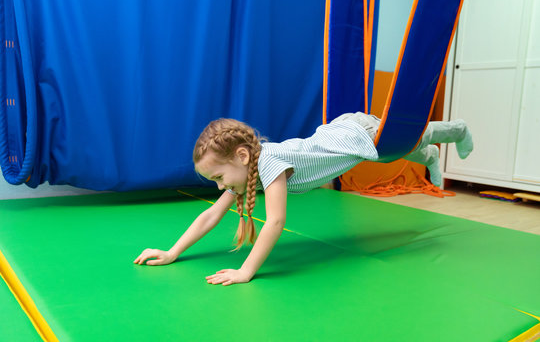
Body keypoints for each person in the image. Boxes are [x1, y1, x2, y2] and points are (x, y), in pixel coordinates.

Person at [134, 112, 473, 286]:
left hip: (356, 133)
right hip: (340, 140)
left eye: (219, 178)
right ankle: (427, 155)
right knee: (387, 156)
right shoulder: (247, 171)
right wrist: (172, 252)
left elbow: (277, 221)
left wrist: (246, 271)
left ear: (241, 156)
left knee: (405, 138)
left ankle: (454, 129)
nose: (221, 187)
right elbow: (210, 216)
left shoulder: (270, 163)